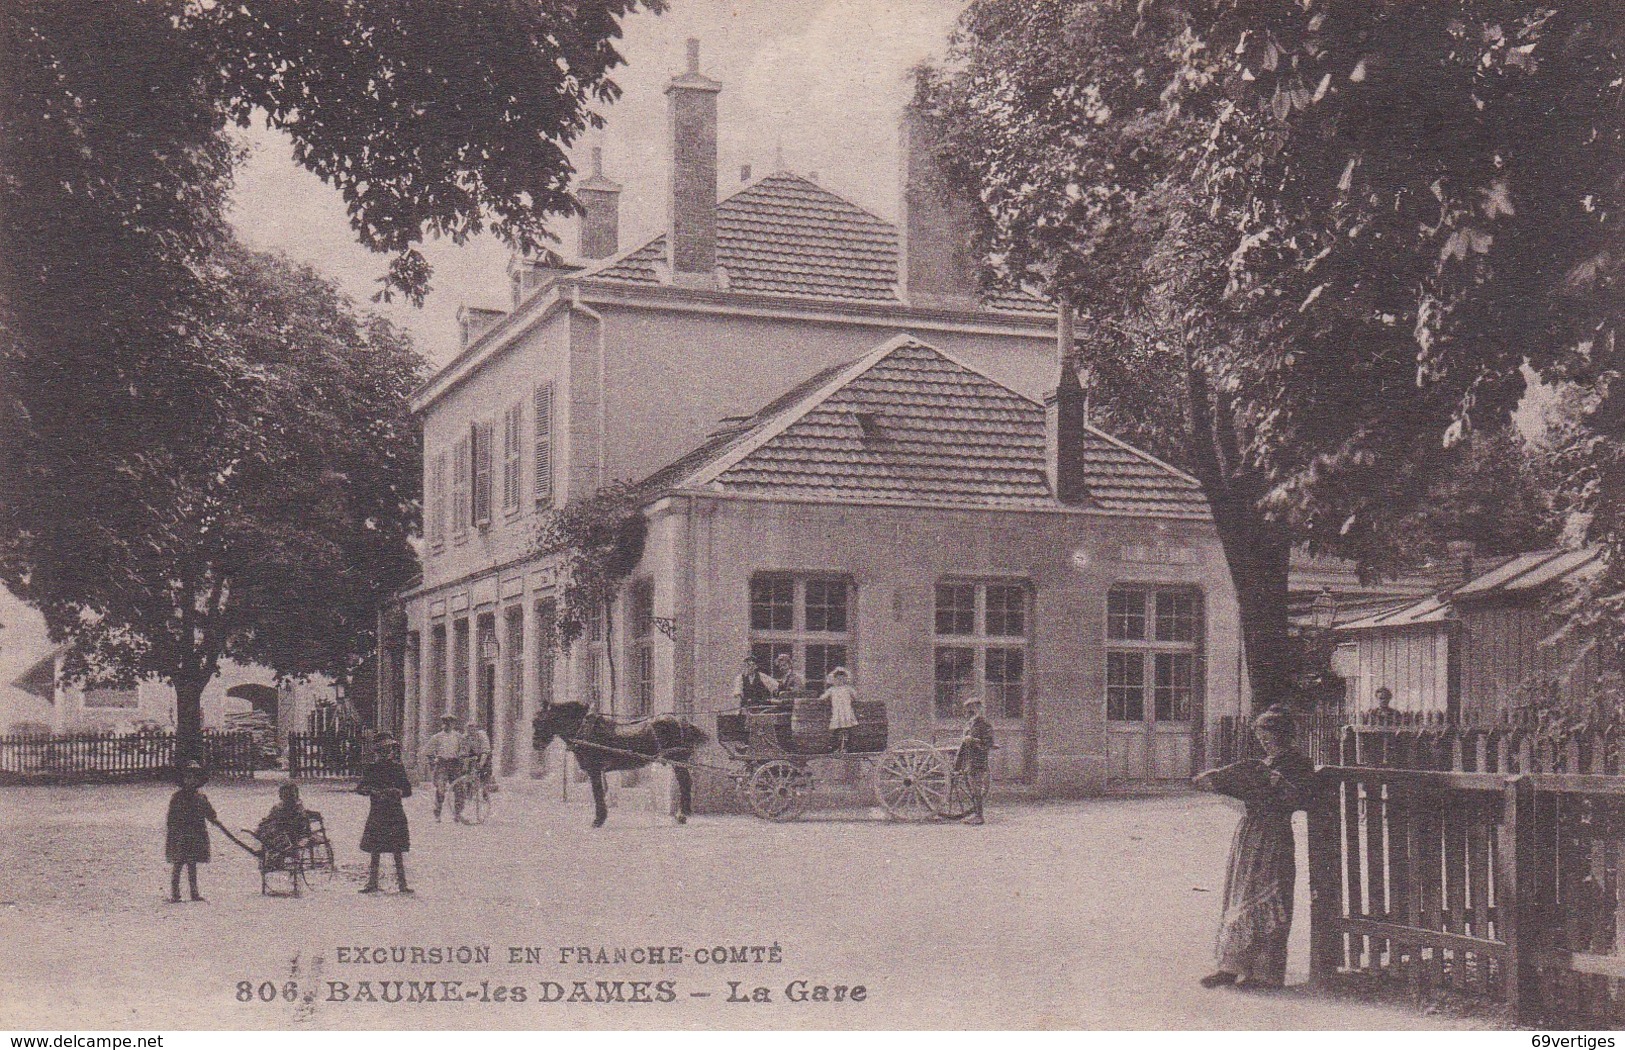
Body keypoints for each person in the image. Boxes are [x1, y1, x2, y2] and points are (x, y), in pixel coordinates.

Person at [1190, 705, 1318, 990]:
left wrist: (1278, 782)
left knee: (1268, 896)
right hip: (1249, 831)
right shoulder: (1263, 762)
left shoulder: (1298, 763)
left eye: (1268, 735)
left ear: (1283, 734)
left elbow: (1303, 799)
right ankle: (1230, 966)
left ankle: (1263, 973)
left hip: (1274, 835)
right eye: (1260, 735)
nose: (1264, 741)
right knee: (1239, 893)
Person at [357, 733, 413, 894]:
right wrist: (373, 790)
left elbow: (407, 790)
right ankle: (372, 883)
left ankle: (402, 884)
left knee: (397, 849)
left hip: (394, 811)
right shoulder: (372, 768)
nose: (385, 753)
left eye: (387, 749)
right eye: (382, 750)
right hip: (378, 811)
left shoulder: (397, 767)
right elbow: (361, 788)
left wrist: (397, 791)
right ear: (376, 752)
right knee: (375, 849)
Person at [165, 761, 226, 903]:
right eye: (188, 777)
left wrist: (216, 821)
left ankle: (194, 893)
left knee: (192, 864)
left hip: (196, 833)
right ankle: (175, 894)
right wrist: (174, 831)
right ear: (183, 780)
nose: (191, 780)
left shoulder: (201, 797)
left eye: (194, 778)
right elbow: (171, 817)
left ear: (198, 780)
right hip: (181, 833)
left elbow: (209, 813)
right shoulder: (177, 797)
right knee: (178, 863)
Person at [955, 697, 995, 825]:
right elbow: (963, 744)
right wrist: (958, 761)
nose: (968, 714)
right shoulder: (969, 724)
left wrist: (973, 740)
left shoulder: (984, 724)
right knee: (971, 787)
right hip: (968, 759)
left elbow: (988, 743)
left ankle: (979, 816)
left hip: (978, 759)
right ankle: (975, 814)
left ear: (978, 709)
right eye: (967, 711)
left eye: (971, 711)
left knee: (976, 787)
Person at [423, 715, 465, 821]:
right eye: (445, 723)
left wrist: (462, 759)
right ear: (443, 724)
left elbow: (463, 750)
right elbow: (428, 751)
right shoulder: (437, 737)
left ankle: (457, 813)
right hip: (442, 764)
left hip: (455, 764)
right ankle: (437, 814)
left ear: (453, 724)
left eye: (450, 723)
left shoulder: (458, 737)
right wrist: (432, 762)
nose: (447, 725)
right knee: (440, 789)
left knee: (459, 789)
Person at [255, 782, 313, 858]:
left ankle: (278, 853)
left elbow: (301, 822)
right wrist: (264, 823)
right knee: (265, 831)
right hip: (281, 830)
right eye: (285, 795)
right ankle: (271, 852)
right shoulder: (278, 807)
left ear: (295, 796)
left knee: (277, 833)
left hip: (293, 832)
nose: (288, 797)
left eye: (290, 795)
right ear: (281, 796)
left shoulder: (297, 807)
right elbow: (270, 817)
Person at [821, 667, 860, 752]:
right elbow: (823, 697)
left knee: (847, 729)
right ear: (833, 679)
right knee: (837, 729)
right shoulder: (832, 690)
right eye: (837, 679)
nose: (840, 681)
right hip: (837, 711)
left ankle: (847, 746)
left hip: (846, 711)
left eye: (842, 679)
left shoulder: (848, 689)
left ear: (845, 679)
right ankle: (836, 746)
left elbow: (855, 697)